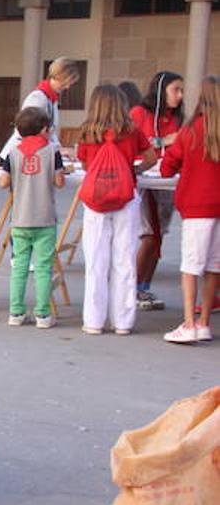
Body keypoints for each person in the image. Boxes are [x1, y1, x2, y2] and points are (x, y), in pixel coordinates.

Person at [76, 84, 157, 336]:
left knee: (96, 261)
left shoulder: (88, 132)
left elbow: (84, 162)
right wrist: (134, 170)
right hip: (126, 196)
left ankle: (94, 320)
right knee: (124, 260)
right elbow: (152, 157)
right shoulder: (131, 130)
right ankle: (123, 321)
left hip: (97, 201)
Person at [160, 75, 219, 344]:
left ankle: (189, 323)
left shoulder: (192, 130)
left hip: (197, 205)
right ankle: (205, 322)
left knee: (191, 266)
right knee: (213, 267)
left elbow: (167, 166)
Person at [0, 107, 66, 329]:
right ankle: (43, 315)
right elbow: (59, 182)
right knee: (43, 268)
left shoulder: (13, 153)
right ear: (44, 129)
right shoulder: (52, 151)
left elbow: (3, 182)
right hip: (45, 218)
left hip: (19, 218)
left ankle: (16, 312)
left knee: (19, 266)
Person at [132, 71, 186, 313]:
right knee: (149, 234)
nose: (180, 95)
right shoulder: (139, 114)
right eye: (176, 90)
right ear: (161, 90)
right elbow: (133, 142)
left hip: (167, 182)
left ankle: (144, 286)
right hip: (144, 181)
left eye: (181, 91)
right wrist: (164, 140)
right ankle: (131, 288)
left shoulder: (175, 118)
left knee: (159, 235)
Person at [1, 57, 80, 159]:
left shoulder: (52, 99)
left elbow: (50, 131)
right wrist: (57, 150)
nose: (68, 87)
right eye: (67, 82)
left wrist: (59, 149)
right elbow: (28, 131)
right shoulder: (38, 98)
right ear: (60, 76)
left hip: (34, 154)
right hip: (18, 156)